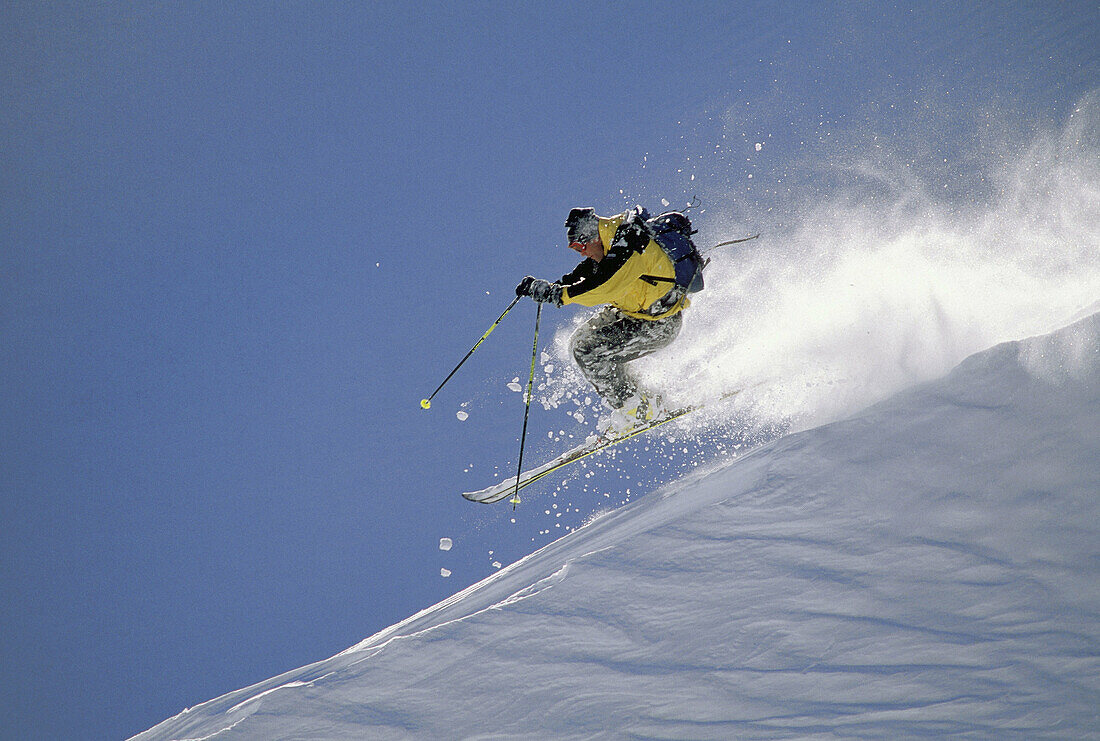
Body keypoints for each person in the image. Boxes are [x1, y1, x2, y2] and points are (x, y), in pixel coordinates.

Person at [515, 206, 691, 436]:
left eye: (579, 246)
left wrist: (557, 294)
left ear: (593, 237)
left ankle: (637, 408)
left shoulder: (629, 242)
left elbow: (605, 284)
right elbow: (583, 276)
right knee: (580, 343)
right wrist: (547, 288)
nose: (580, 252)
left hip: (658, 324)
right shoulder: (609, 246)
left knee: (586, 350)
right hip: (636, 315)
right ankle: (643, 401)